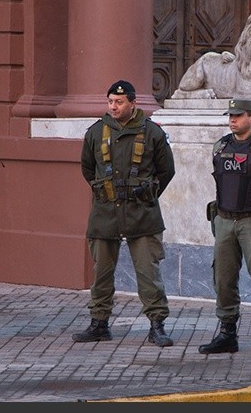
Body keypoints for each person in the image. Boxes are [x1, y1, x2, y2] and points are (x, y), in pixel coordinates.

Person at [73, 79, 176, 347]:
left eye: (119, 102)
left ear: (133, 103)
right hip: (105, 214)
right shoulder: (96, 132)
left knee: (148, 272)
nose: (113, 106)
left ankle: (157, 325)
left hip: (142, 214)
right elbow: (87, 168)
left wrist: (145, 194)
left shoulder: (153, 133)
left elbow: (167, 171)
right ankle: (99, 323)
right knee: (101, 273)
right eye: (110, 102)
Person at [199, 99, 251, 358]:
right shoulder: (221, 145)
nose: (232, 120)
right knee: (223, 278)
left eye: (238, 115)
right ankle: (227, 333)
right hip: (224, 220)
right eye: (230, 115)